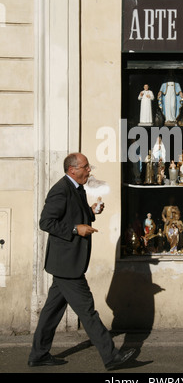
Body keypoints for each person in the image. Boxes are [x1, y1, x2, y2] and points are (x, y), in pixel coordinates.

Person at [28, 153, 135, 370]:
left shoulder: (75, 187)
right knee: (87, 310)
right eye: (85, 167)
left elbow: (72, 213)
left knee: (51, 311)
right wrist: (77, 229)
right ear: (72, 170)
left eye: (88, 167)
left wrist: (91, 212)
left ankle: (38, 354)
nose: (89, 171)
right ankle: (111, 356)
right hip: (67, 264)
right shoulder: (60, 189)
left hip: (65, 264)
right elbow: (46, 222)